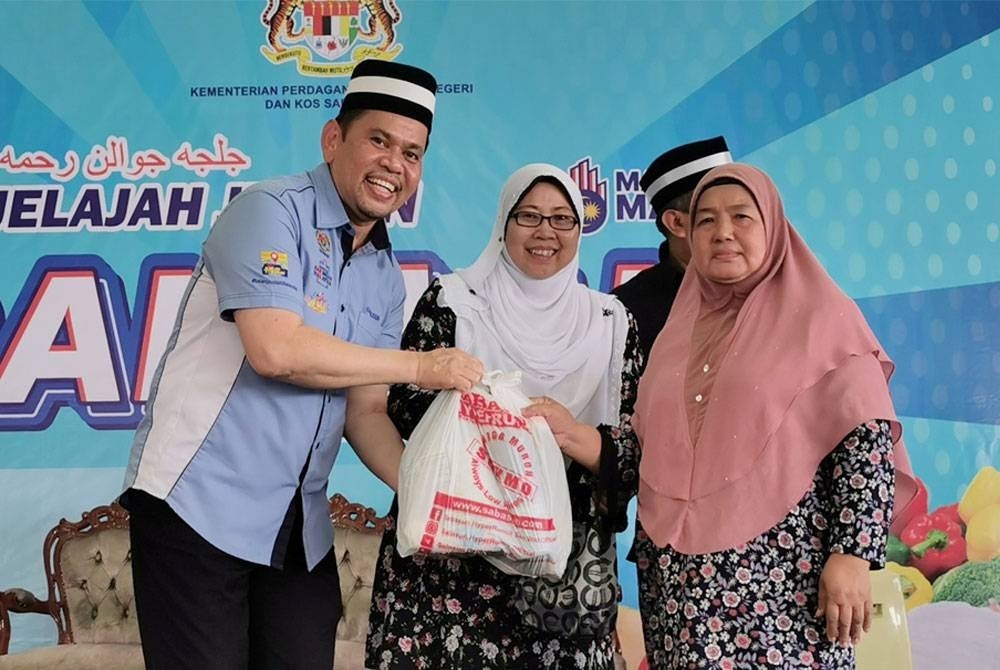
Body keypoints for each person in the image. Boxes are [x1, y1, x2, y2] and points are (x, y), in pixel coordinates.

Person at [120, 60, 483, 670]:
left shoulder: (384, 276)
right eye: (379, 140)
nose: (395, 164)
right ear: (333, 138)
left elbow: (365, 411)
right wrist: (422, 368)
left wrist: (441, 500)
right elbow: (276, 350)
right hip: (196, 509)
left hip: (296, 527)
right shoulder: (269, 209)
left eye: (413, 153)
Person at [632, 163, 917, 669]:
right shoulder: (677, 332)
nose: (723, 233)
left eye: (742, 216)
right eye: (706, 221)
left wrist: (852, 555)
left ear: (773, 227)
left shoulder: (823, 319)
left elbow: (865, 442)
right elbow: (650, 442)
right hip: (678, 587)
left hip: (784, 583)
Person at [365, 163, 643, 669]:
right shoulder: (455, 301)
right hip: (453, 558)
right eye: (529, 216)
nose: (546, 233)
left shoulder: (611, 323)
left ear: (580, 230)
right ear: (503, 225)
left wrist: (571, 434)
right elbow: (402, 401)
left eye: (563, 219)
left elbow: (634, 447)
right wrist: (490, 416)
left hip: (560, 569)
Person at [613, 136, 732, 361]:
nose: (728, 232)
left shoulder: (772, 294)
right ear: (676, 223)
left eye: (741, 215)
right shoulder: (627, 312)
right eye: (709, 218)